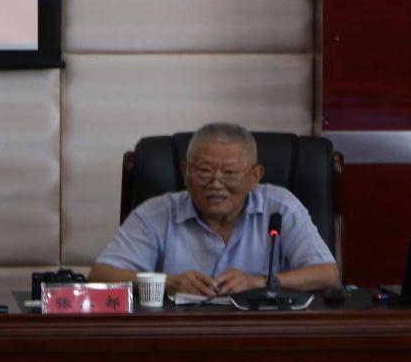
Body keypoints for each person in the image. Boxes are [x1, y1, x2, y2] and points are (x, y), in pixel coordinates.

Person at [90, 123, 340, 297]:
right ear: (185, 172)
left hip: (264, 337)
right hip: (178, 337)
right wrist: (169, 282)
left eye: (229, 173)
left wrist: (258, 282)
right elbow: (101, 275)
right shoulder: (156, 214)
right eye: (204, 171)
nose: (216, 184)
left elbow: (328, 275)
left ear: (255, 176)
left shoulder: (281, 208)